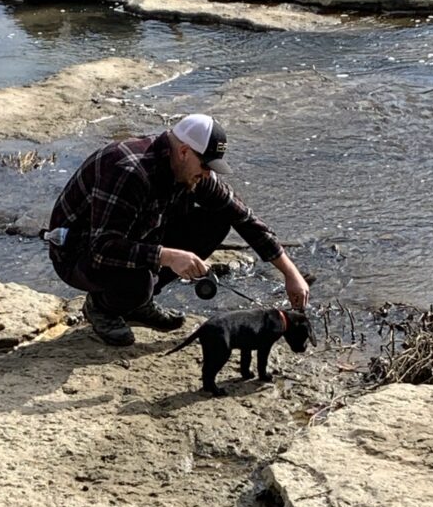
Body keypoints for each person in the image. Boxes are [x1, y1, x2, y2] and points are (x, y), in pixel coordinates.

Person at [46, 113, 310, 346]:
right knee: (138, 282)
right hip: (77, 254)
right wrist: (169, 256)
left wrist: (290, 273)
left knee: (217, 219)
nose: (207, 174)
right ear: (184, 151)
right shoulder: (128, 170)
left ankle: (137, 303)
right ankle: (103, 307)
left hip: (131, 240)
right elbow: (102, 248)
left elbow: (243, 218)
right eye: (206, 165)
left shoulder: (190, 171)